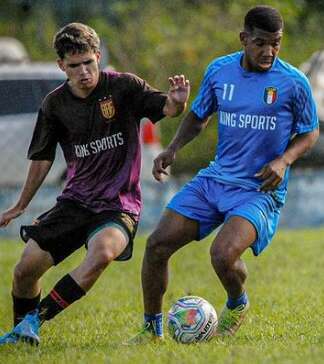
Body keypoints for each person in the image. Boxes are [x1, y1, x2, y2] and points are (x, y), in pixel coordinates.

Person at [130, 5, 319, 342]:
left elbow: (310, 132)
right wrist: (172, 149)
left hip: (259, 189)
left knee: (222, 255)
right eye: (261, 43)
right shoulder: (219, 71)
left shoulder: (293, 82)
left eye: (276, 43)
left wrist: (284, 160)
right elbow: (199, 116)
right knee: (157, 245)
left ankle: (237, 302)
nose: (269, 52)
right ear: (244, 38)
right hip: (215, 180)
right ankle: (150, 330)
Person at [0, 22, 189, 345]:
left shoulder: (124, 87)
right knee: (25, 270)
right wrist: (21, 204)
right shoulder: (54, 105)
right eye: (75, 66)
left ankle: (35, 321)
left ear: (98, 56)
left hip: (119, 205)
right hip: (75, 202)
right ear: (62, 66)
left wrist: (178, 102)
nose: (85, 71)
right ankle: (22, 333)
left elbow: (167, 108)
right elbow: (42, 159)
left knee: (102, 253)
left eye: (89, 62)